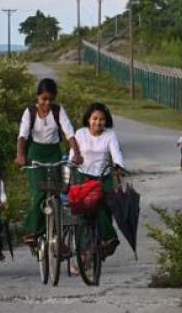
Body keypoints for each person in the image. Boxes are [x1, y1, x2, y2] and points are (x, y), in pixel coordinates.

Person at [15, 78, 83, 245]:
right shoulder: (30, 112)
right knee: (39, 193)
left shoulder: (58, 111)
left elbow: (69, 133)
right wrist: (20, 155)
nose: (47, 103)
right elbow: (23, 135)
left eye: (50, 99)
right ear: (38, 97)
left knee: (56, 193)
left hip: (54, 154)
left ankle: (57, 237)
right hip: (35, 154)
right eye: (43, 99)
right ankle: (33, 231)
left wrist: (76, 153)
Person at [69, 102, 122, 260]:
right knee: (84, 213)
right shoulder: (80, 134)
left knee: (104, 205)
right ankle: (85, 252)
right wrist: (74, 159)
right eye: (94, 118)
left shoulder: (110, 135)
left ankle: (107, 240)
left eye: (102, 119)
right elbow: (73, 153)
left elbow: (116, 152)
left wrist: (118, 166)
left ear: (106, 121)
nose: (98, 122)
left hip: (102, 176)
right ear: (88, 119)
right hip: (83, 175)